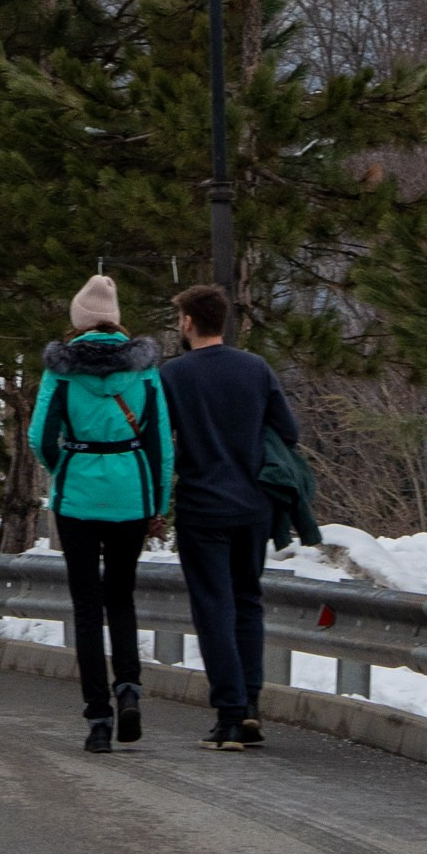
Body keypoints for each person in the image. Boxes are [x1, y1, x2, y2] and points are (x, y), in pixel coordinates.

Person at [29, 274, 172, 755]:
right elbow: (159, 443)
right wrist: (157, 502)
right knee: (122, 599)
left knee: (87, 609)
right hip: (131, 490)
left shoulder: (61, 370)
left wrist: (67, 465)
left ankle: (97, 719)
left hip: (78, 497)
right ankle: (128, 688)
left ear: (78, 320)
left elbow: (41, 439)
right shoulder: (145, 369)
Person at [158, 282, 299, 751]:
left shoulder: (172, 375)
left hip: (202, 506)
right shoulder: (255, 368)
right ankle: (252, 706)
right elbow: (289, 430)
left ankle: (230, 714)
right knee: (247, 602)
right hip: (253, 505)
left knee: (213, 608)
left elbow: (160, 443)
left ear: (189, 322)